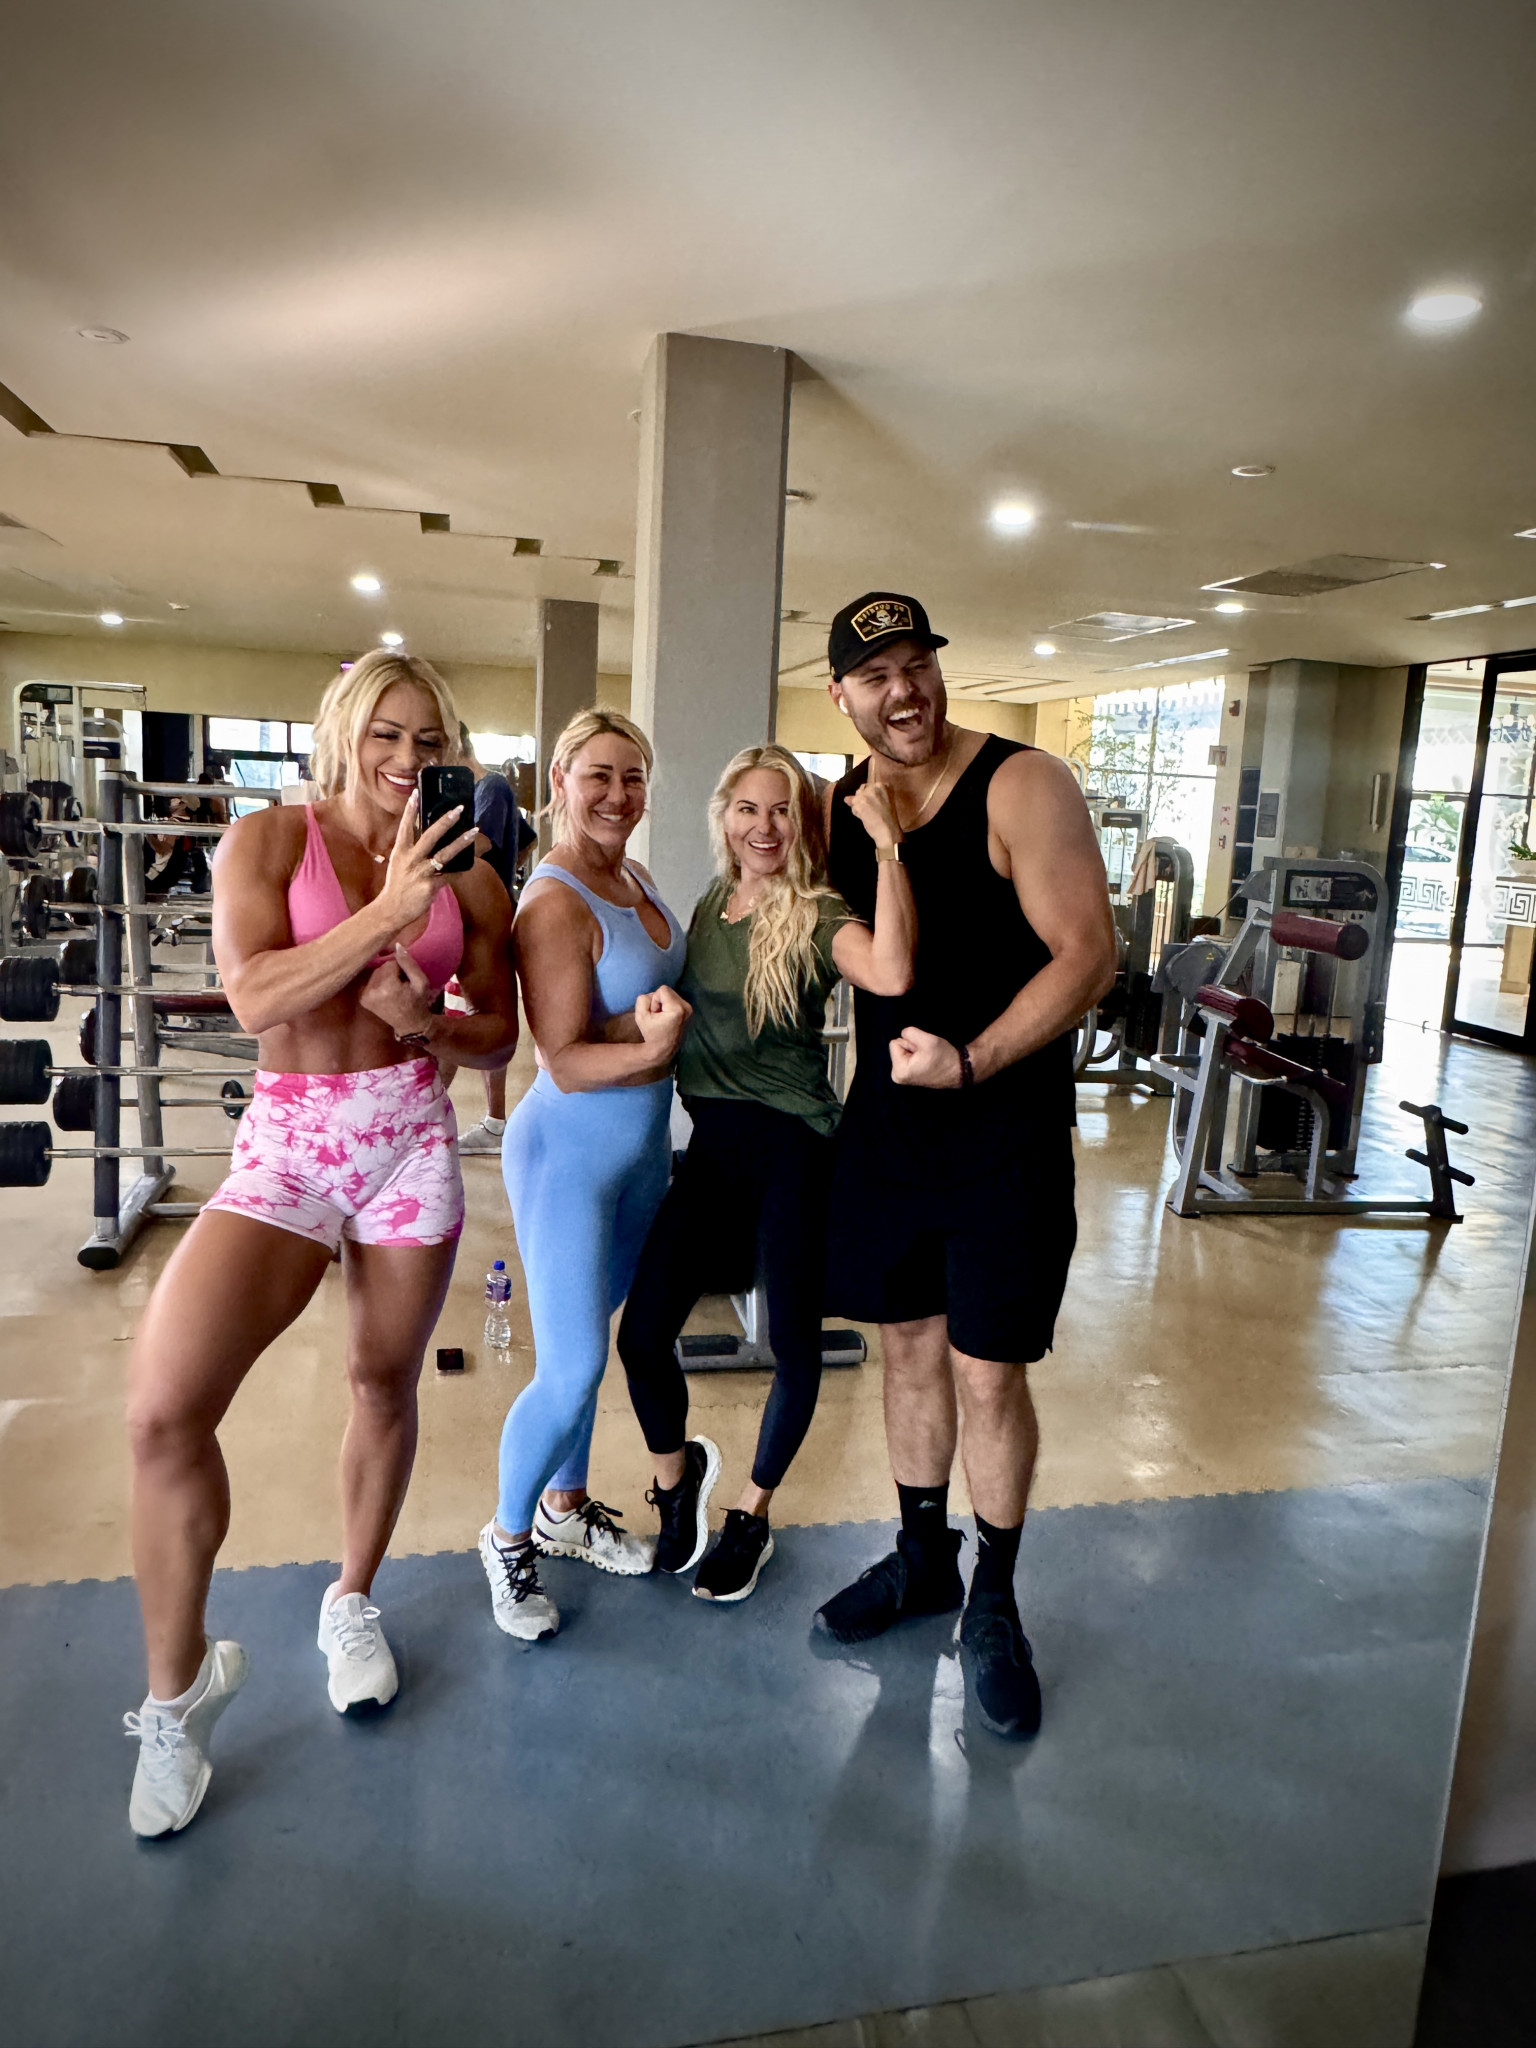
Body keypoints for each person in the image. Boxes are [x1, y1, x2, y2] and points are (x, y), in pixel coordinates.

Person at [121, 649, 518, 1838]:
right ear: (342, 730)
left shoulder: (474, 872)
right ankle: (177, 1695)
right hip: (291, 1146)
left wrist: (427, 1020)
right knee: (163, 1409)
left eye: (429, 741)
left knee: (382, 1379)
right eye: (386, 733)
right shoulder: (266, 841)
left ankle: (351, 1597)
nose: (406, 758)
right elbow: (254, 996)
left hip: (408, 1141)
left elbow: (497, 1035)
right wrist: (388, 914)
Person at [811, 592, 1117, 1739]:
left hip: (1003, 1134)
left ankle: (994, 1594)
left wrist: (975, 1058)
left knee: (988, 1374)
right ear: (841, 696)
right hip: (891, 1138)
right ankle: (921, 1556)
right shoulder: (841, 807)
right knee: (905, 1355)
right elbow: (820, 933)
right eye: (876, 675)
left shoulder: (1022, 783)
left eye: (917, 664)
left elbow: (1088, 954)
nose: (904, 691)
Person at [617, 746, 915, 1600]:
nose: (765, 826)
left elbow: (892, 971)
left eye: (781, 809)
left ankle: (752, 1515)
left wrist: (889, 849)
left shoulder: (817, 913)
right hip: (713, 1147)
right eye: (748, 808)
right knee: (641, 1337)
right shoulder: (708, 906)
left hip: (794, 1146)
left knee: (792, 1343)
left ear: (800, 821)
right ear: (724, 817)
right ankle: (677, 1484)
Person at [480, 709, 689, 1641]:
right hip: (566, 1157)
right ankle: (507, 1536)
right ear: (559, 780)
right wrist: (658, 1049)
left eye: (633, 777)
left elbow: (629, 1011)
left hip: (638, 1157)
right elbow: (562, 1059)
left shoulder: (634, 877)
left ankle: (564, 1507)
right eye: (598, 775)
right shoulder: (555, 900)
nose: (617, 795)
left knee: (588, 1347)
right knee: (571, 1369)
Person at [438, 726, 535, 1154]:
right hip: (473, 912)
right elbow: (528, 840)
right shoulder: (480, 793)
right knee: (468, 1012)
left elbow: (477, 845)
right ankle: (492, 1121)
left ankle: (429, 1116)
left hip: (483, 920)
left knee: (464, 1018)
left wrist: (425, 858)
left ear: (457, 747)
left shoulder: (490, 787)